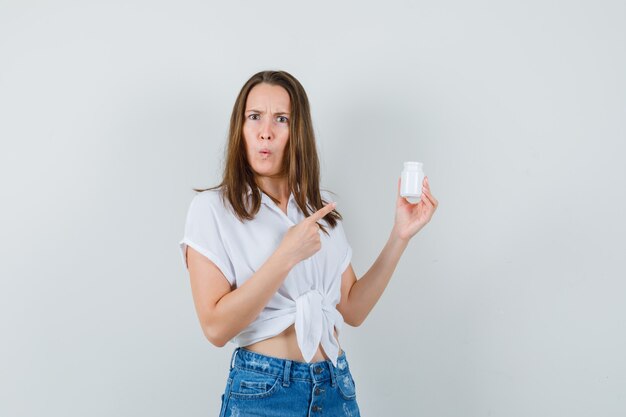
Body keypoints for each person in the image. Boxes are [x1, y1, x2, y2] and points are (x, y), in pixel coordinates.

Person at [179, 70, 438, 416]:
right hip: (264, 392)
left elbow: (353, 308)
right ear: (240, 128)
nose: (265, 131)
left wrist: (400, 235)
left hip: (334, 388)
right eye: (254, 117)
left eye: (281, 119)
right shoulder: (214, 209)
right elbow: (215, 327)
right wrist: (285, 255)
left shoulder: (321, 208)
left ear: (297, 132)